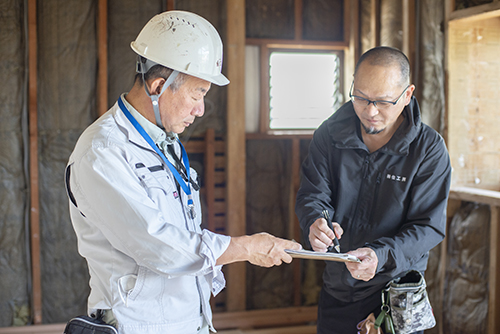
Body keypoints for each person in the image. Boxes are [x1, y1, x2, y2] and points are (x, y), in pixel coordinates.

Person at [65, 10, 301, 334]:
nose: (201, 109)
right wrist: (246, 247)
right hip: (139, 326)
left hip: (191, 322)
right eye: (197, 93)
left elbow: (186, 233)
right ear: (158, 86)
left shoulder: (166, 142)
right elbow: (158, 244)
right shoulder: (102, 152)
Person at [295, 46, 451, 334]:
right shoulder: (329, 135)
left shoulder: (429, 150)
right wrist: (315, 221)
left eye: (382, 102)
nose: (369, 111)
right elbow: (312, 195)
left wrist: (381, 256)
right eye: (361, 97)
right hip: (338, 287)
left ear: (407, 95)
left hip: (395, 293)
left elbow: (428, 227)